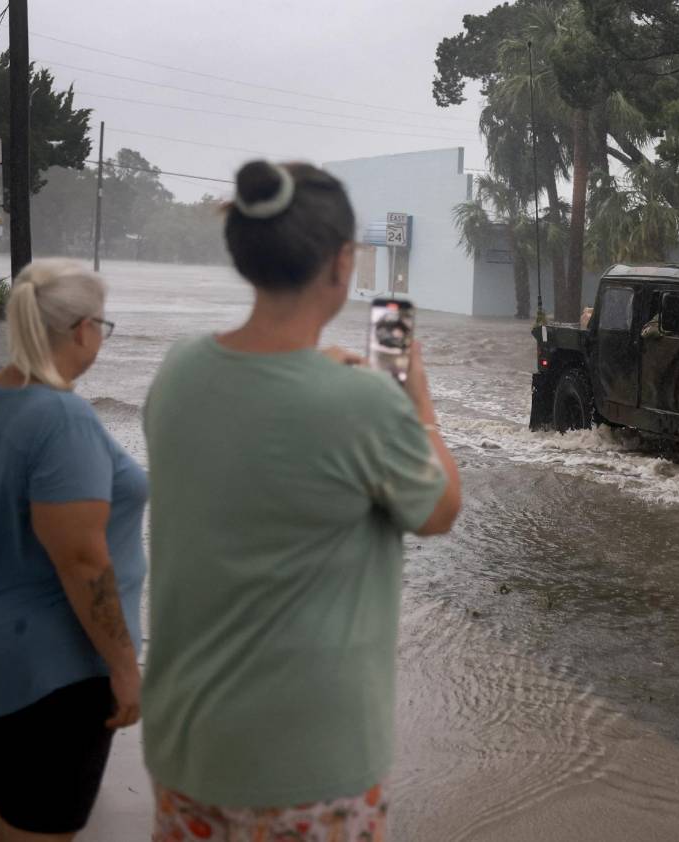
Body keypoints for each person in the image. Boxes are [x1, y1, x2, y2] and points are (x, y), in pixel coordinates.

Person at [143, 160, 461, 842]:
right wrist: (415, 397)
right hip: (308, 768)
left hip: (187, 747)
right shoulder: (364, 403)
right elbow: (439, 511)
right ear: (343, 263)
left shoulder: (177, 373)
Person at [0, 259, 147, 841]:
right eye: (103, 326)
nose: (102, 338)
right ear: (82, 329)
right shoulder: (62, 418)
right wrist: (126, 669)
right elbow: (82, 561)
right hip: (55, 675)